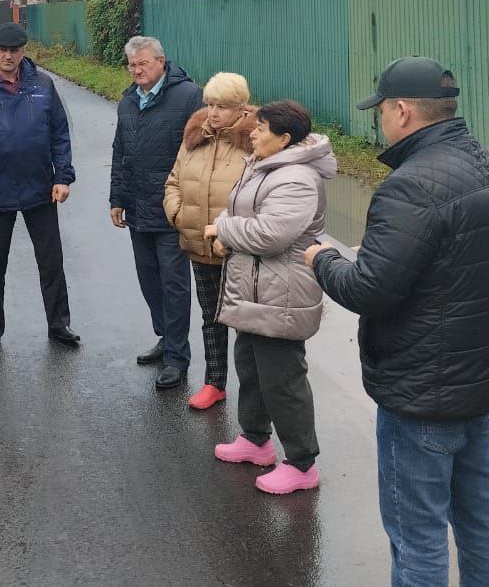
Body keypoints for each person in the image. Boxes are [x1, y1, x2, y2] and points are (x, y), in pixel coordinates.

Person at [306, 57, 489, 585]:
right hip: (477, 383)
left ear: (402, 111)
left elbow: (368, 290)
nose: (379, 119)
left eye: (381, 109)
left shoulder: (411, 186)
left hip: (422, 393)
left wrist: (323, 259)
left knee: (417, 534)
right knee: (479, 516)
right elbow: (456, 265)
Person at [209, 100, 335, 495]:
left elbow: (270, 235)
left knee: (283, 378)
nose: (253, 133)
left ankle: (302, 463)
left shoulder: (296, 177)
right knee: (250, 365)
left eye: (261, 129)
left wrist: (223, 229)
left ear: (284, 138)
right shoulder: (264, 164)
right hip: (256, 288)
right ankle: (254, 440)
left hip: (282, 292)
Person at [0, 22, 80, 356]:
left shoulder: (43, 85)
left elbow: (60, 135)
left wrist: (62, 177)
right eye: (2, 50)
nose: (8, 56)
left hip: (40, 188)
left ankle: (59, 324)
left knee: (51, 262)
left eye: (15, 50)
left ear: (23, 51)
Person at [110, 35, 203, 389]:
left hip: (171, 210)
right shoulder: (128, 100)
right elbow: (120, 151)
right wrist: (116, 198)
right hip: (137, 207)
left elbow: (198, 154)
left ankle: (178, 357)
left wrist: (187, 203)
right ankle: (166, 339)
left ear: (161, 62)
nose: (136, 71)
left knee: (173, 284)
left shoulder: (188, 97)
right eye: (132, 65)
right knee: (149, 280)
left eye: (143, 64)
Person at [163, 72, 255, 410]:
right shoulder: (194, 137)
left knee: (246, 323)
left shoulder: (256, 142)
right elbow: (173, 180)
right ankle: (214, 383)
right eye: (210, 104)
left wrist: (231, 233)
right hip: (199, 247)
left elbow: (260, 198)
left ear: (241, 108)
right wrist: (179, 214)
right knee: (210, 318)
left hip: (239, 251)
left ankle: (252, 393)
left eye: (223, 107)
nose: (213, 113)